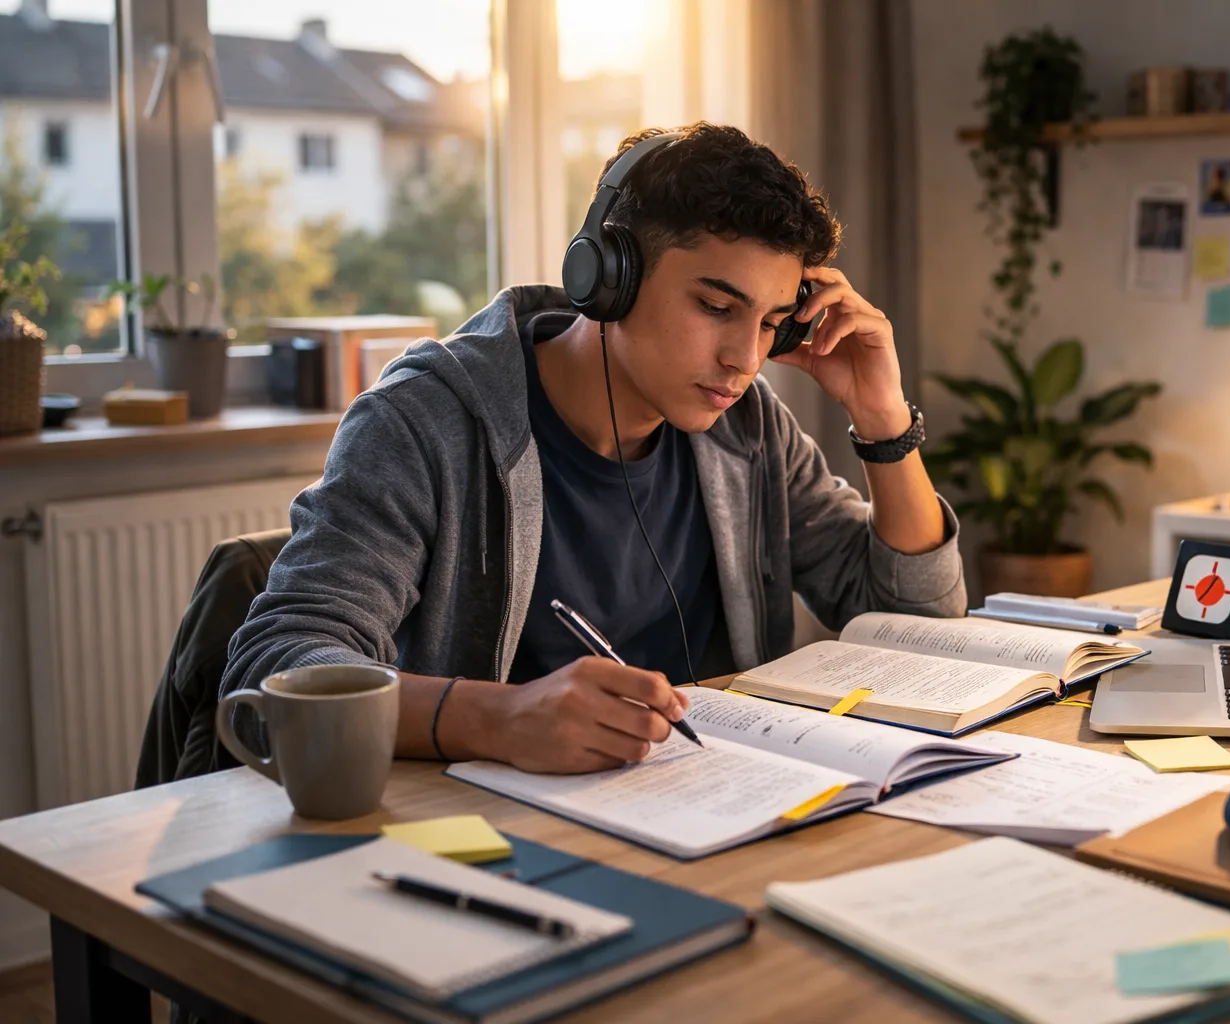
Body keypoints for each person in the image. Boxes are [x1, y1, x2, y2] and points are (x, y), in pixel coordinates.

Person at [222, 122, 965, 774]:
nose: (746, 357)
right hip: (480, 836)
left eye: (773, 321)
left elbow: (918, 636)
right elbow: (279, 664)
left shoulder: (749, 427)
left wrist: (882, 419)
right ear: (608, 277)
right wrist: (501, 719)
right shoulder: (423, 422)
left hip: (703, 804)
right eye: (716, 307)